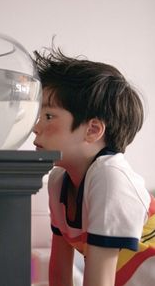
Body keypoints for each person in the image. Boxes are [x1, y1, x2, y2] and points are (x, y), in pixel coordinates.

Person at [32, 47, 155, 286]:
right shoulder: (59, 181)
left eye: (48, 117)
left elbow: (100, 280)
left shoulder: (111, 178)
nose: (36, 127)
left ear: (93, 130)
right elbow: (59, 273)